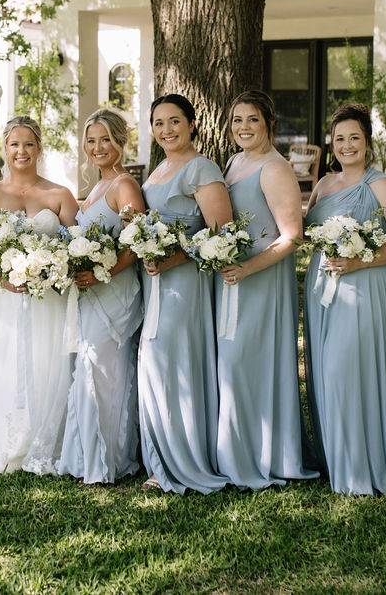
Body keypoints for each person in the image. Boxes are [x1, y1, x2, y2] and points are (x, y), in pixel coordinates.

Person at [303, 103, 386, 496]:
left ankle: (365, 465)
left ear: (367, 142)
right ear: (330, 144)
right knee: (325, 372)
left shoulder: (383, 185)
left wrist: (358, 259)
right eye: (339, 139)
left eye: (354, 137)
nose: (347, 145)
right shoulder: (323, 185)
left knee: (348, 370)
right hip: (323, 287)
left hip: (365, 285)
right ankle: (337, 461)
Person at [215, 91, 318, 490]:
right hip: (233, 277)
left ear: (269, 122)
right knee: (232, 363)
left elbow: (293, 236)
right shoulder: (234, 162)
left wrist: (247, 268)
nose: (243, 127)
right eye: (237, 119)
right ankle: (236, 452)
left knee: (249, 361)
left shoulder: (275, 169)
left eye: (252, 119)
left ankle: (265, 456)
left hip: (260, 278)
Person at [0, 116, 79, 475]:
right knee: (4, 366)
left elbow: (78, 248)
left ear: (39, 148)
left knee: (46, 364)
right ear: (5, 148)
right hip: (1, 296)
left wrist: (50, 269)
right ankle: (4, 442)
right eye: (14, 144)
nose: (21, 151)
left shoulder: (59, 194)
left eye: (28, 144)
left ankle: (46, 441)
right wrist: (2, 277)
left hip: (48, 299)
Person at [138, 93, 232, 494]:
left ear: (192, 124)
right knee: (153, 365)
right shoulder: (160, 168)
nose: (166, 130)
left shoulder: (201, 167)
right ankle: (159, 459)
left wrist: (174, 258)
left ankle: (180, 462)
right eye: (159, 123)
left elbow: (220, 233)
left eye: (175, 121)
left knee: (169, 363)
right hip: (153, 279)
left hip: (182, 281)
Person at [57, 109, 145, 484]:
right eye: (91, 141)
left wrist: (101, 272)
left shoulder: (125, 185)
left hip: (115, 292)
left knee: (103, 372)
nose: (98, 147)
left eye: (105, 139)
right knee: (90, 370)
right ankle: (87, 458)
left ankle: (105, 461)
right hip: (91, 291)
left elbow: (138, 244)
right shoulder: (96, 187)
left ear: (121, 142)